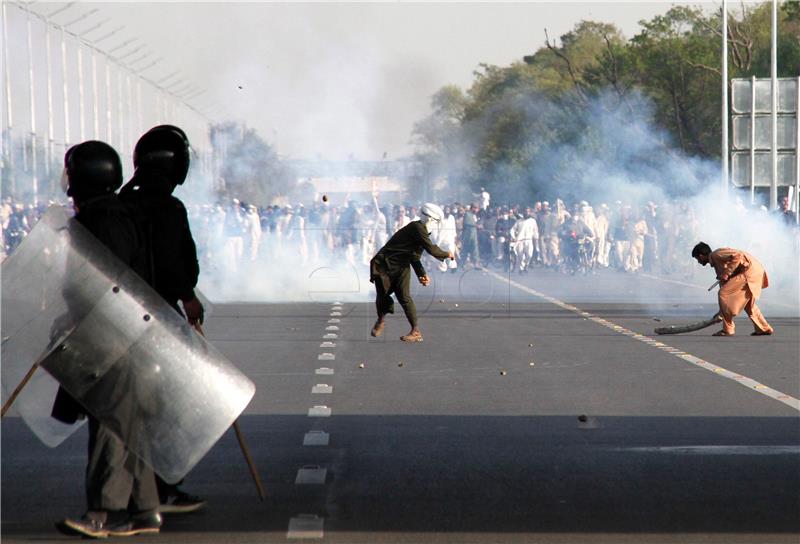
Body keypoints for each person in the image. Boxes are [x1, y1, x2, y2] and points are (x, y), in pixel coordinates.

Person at [55, 140, 162, 538]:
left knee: (110, 424)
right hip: (125, 333)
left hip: (112, 335)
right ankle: (145, 510)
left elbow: (107, 284)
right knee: (128, 424)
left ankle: (104, 512)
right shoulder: (114, 214)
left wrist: (80, 317)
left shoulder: (104, 221)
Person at [118, 125, 206, 513]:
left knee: (129, 410)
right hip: (157, 319)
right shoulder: (168, 209)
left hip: (117, 319)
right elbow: (174, 264)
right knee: (169, 405)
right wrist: (188, 297)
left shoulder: (120, 204)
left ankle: (134, 489)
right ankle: (161, 487)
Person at [369, 203, 454, 342]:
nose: (436, 225)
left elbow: (415, 256)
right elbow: (431, 249)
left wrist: (421, 274)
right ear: (430, 219)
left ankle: (415, 331)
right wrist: (447, 254)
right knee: (382, 296)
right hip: (385, 264)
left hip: (402, 266)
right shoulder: (417, 227)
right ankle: (381, 320)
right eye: (436, 222)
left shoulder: (423, 231)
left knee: (405, 297)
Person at [691, 242, 773, 337]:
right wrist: (721, 311)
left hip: (748, 271)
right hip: (754, 271)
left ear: (701, 256)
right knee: (748, 305)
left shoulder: (716, 254)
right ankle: (764, 328)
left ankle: (728, 329)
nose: (699, 262)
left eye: (697, 259)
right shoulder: (716, 260)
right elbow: (726, 283)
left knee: (723, 294)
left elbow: (738, 256)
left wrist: (727, 273)